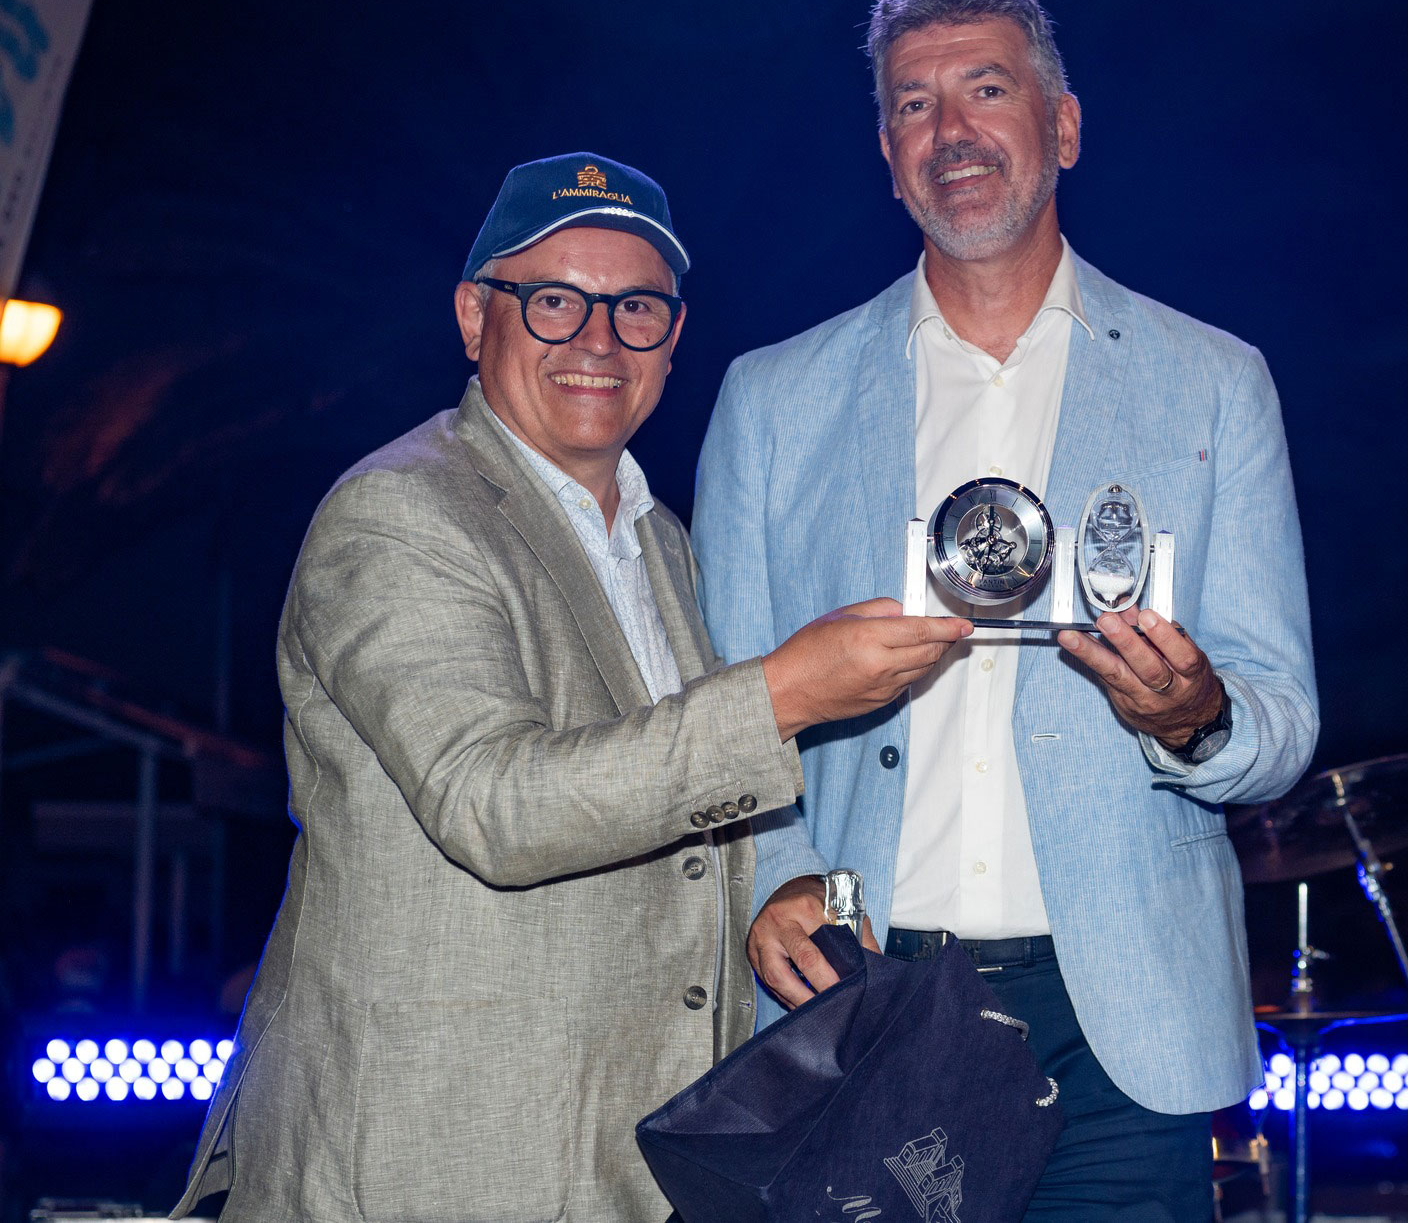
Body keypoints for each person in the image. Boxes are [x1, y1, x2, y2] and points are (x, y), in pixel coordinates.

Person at [172, 152, 969, 1223]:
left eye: (636, 307)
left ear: (672, 340)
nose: (598, 339)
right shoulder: (399, 514)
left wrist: (775, 891)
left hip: (617, 1158)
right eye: (554, 300)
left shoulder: (659, 538)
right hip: (431, 1156)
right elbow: (494, 804)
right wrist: (780, 693)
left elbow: (675, 808)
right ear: (474, 316)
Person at [691, 0, 1318, 1222]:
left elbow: (1281, 720)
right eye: (912, 105)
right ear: (887, 156)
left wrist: (1195, 718)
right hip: (863, 1000)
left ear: (1063, 126)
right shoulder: (771, 399)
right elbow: (721, 710)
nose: (951, 131)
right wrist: (779, 878)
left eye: (985, 90)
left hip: (1121, 1033)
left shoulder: (1212, 382)